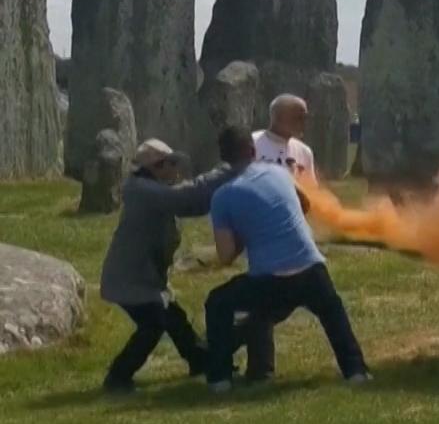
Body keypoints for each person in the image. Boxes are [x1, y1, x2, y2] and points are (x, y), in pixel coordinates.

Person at [203, 126, 370, 391]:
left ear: (224, 158)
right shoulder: (280, 173)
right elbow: (305, 203)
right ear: (253, 151)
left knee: (218, 302)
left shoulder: (222, 197)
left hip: (269, 280)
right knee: (331, 312)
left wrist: (246, 231)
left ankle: (220, 378)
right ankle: (356, 371)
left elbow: (225, 256)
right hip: (311, 267)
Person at [98, 139, 237, 394]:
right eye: (170, 163)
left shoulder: (151, 189)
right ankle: (118, 376)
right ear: (155, 167)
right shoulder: (144, 191)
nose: (176, 168)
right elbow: (186, 197)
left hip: (146, 277)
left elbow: (194, 204)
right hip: (129, 279)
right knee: (153, 325)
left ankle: (200, 360)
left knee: (174, 319)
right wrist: (229, 170)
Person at [254, 94, 315, 180]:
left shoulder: (304, 152)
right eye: (299, 117)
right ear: (279, 117)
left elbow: (310, 187)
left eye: (305, 117)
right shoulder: (251, 144)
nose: (304, 123)